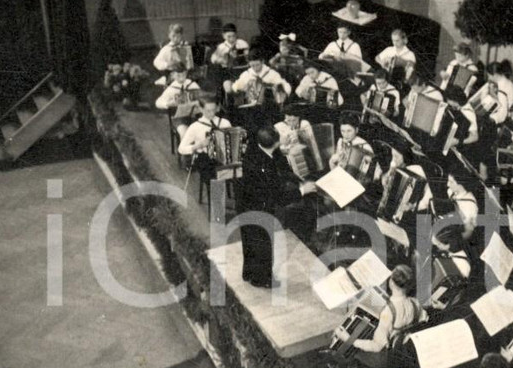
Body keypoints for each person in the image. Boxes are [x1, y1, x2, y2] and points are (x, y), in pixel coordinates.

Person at [238, 126, 318, 288]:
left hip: (244, 204)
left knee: (249, 240)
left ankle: (248, 273)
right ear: (275, 143)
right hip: (260, 208)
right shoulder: (266, 168)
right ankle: (262, 280)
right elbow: (279, 198)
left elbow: (279, 161)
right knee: (263, 245)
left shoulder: (255, 149)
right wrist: (303, 190)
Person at [333, 264, 426, 354]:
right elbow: (424, 319)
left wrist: (348, 339)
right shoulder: (415, 303)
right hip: (403, 344)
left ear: (391, 283)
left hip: (384, 353)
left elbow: (376, 346)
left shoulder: (388, 312)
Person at [178, 93, 230, 184]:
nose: (211, 113)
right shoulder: (195, 126)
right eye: (207, 111)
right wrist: (199, 145)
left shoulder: (225, 123)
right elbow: (181, 149)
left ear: (217, 108)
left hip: (225, 157)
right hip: (205, 159)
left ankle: (238, 193)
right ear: (201, 109)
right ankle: (217, 197)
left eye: (213, 110)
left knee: (244, 171)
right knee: (216, 173)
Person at [155, 61, 201, 138]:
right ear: (173, 75)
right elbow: (158, 102)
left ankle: (199, 149)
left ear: (186, 73)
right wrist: (168, 104)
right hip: (179, 119)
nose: (182, 78)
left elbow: (201, 96)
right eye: (178, 75)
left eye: (184, 74)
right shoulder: (172, 88)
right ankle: (185, 149)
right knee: (185, 133)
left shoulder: (192, 84)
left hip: (195, 116)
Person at [210, 23, 251, 93]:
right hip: (228, 72)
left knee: (247, 86)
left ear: (236, 34)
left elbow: (249, 57)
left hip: (242, 69)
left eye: (233, 36)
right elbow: (213, 59)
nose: (232, 39)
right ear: (223, 36)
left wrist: (245, 55)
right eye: (229, 36)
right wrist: (222, 60)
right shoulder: (221, 47)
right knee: (228, 89)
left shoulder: (242, 43)